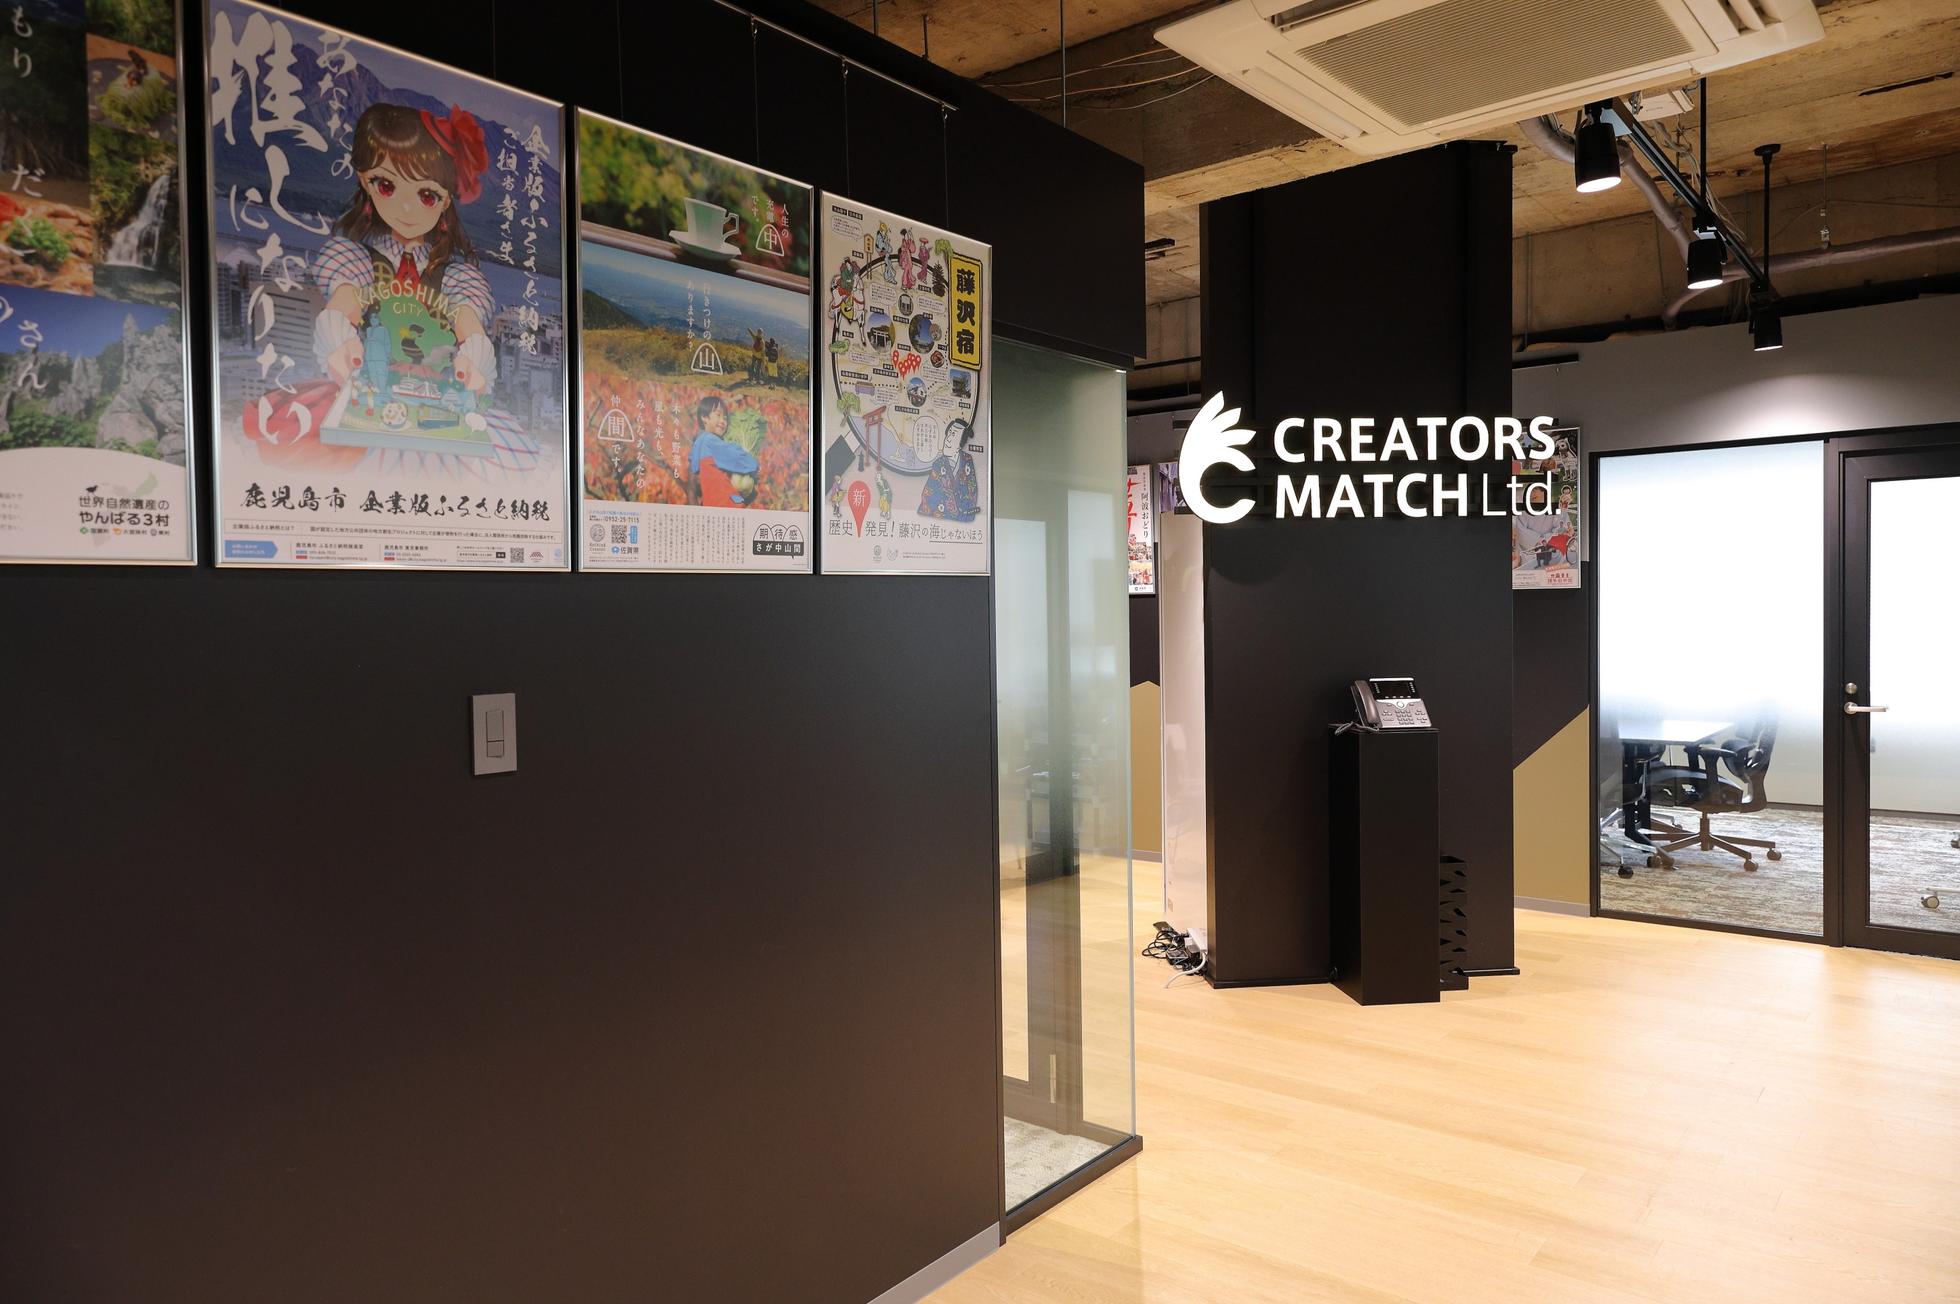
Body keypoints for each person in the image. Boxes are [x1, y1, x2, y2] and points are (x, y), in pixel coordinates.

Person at [243, 102, 494, 456]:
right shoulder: (356, 258)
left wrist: (474, 357)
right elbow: (345, 296)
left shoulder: (454, 275)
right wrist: (340, 339)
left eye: (427, 195)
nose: (406, 208)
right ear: (365, 180)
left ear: (445, 201)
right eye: (386, 185)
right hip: (369, 392)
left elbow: (468, 314)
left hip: (436, 402)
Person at [689, 396, 758, 508]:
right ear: (704, 417)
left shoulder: (700, 444)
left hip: (711, 504)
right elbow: (744, 462)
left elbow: (695, 467)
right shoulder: (710, 441)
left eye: (725, 418)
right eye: (718, 415)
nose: (723, 421)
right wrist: (754, 463)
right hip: (726, 504)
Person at [917, 417, 980, 522]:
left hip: (963, 518)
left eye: (954, 435)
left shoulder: (967, 460)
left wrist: (965, 514)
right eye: (949, 433)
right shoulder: (938, 464)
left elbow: (972, 490)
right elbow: (928, 493)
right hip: (942, 516)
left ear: (961, 443)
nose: (948, 438)